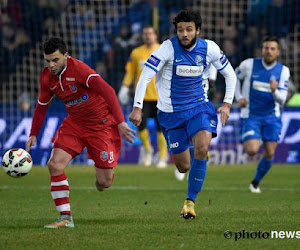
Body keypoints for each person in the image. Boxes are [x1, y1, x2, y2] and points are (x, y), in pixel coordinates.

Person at [129, 10, 237, 219]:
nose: (184, 34)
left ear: (198, 30)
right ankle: (197, 150)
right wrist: (137, 107)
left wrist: (226, 104)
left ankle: (190, 202)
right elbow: (145, 76)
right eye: (180, 30)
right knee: (183, 166)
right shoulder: (167, 49)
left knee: (203, 145)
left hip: (199, 107)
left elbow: (230, 75)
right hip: (171, 114)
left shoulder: (210, 48)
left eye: (189, 29)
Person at [26, 37, 135, 228]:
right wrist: (33, 133)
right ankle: (65, 218)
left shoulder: (80, 70)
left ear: (66, 56)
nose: (51, 65)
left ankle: (103, 176)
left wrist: (120, 122)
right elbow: (41, 106)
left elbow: (108, 91)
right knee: (55, 164)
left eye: (55, 60)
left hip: (100, 126)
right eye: (48, 60)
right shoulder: (46, 77)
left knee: (105, 182)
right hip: (75, 124)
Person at [235, 36, 290, 194]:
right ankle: (250, 134)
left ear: (278, 52)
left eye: (273, 49)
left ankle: (255, 182)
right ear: (262, 50)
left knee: (270, 152)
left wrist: (274, 90)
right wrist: (239, 98)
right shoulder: (248, 64)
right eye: (266, 48)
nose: (269, 51)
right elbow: (234, 78)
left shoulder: (283, 71)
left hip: (272, 116)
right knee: (252, 150)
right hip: (251, 114)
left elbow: (282, 99)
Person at [118, 25, 168, 168]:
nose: (147, 36)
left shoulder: (163, 51)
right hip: (142, 98)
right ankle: (147, 149)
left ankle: (163, 158)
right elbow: (130, 73)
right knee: (141, 127)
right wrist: (125, 87)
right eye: (145, 33)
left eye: (150, 33)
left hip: (160, 97)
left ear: (155, 35)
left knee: (162, 129)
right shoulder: (136, 53)